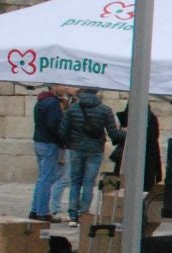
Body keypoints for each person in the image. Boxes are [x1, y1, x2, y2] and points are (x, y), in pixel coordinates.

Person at [59, 85, 123, 221]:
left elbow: (63, 131)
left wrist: (66, 144)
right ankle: (83, 211)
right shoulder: (105, 110)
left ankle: (72, 213)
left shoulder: (73, 109)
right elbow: (114, 134)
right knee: (89, 182)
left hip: (76, 148)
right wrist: (126, 133)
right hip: (95, 149)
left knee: (75, 181)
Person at [29, 83, 70, 222]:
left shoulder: (41, 101)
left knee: (42, 179)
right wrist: (62, 140)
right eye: (62, 85)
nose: (65, 88)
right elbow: (54, 125)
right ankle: (42, 211)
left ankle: (35, 209)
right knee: (46, 179)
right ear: (53, 86)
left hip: (39, 142)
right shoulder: (53, 103)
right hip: (49, 143)